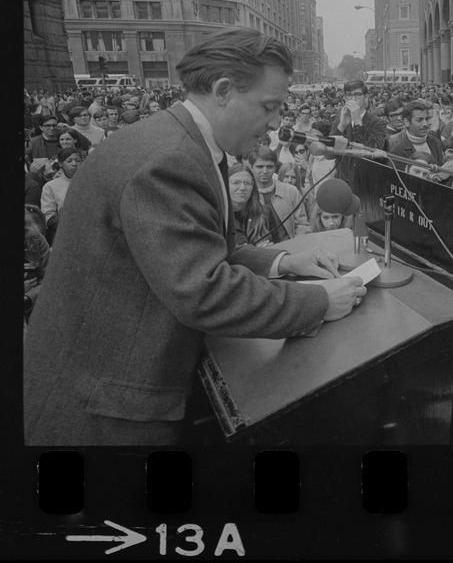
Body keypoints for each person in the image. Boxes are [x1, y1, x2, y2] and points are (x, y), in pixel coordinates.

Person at [24, 28, 366, 445]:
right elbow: (201, 290)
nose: (277, 123)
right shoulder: (169, 160)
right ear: (223, 90)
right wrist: (319, 301)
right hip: (102, 412)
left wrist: (283, 261)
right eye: (269, 106)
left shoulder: (187, 142)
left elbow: (197, 252)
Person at [251, 149, 309, 239]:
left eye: (269, 167)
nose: (265, 171)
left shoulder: (291, 191)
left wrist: (297, 245)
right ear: (252, 168)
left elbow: (302, 224)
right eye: (260, 167)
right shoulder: (246, 193)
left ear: (275, 168)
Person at [229, 163, 279, 247]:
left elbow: (277, 245)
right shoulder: (218, 215)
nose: (242, 188)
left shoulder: (265, 213)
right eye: (236, 182)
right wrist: (254, 253)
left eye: (248, 183)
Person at [387, 100, 445, 167]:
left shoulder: (435, 142)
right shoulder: (397, 152)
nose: (425, 124)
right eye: (419, 120)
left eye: (427, 119)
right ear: (407, 122)